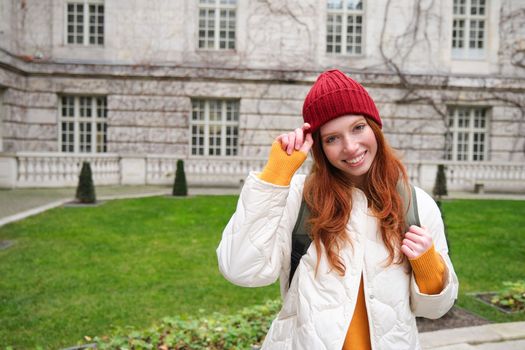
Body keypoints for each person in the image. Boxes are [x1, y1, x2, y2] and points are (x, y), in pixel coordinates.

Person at [217, 69, 458, 349]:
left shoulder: (416, 205)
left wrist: (429, 268)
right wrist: (274, 176)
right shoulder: (299, 197)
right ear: (319, 146)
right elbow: (240, 269)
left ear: (374, 127)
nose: (351, 147)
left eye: (358, 128)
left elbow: (435, 310)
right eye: (332, 138)